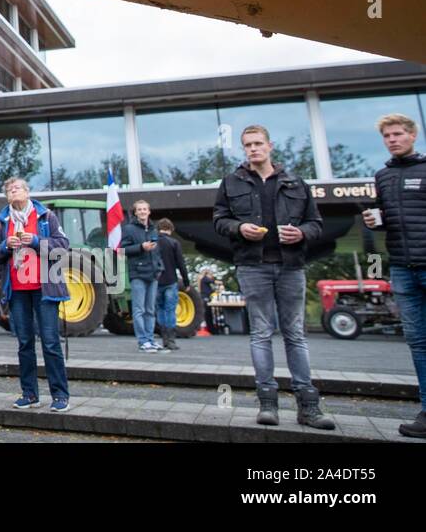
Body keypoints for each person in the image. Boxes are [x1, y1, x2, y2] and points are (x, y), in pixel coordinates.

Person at [213, 123, 334, 430]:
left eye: (257, 143)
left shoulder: (295, 182)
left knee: (295, 335)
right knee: (261, 334)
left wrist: (302, 233)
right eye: (247, 145)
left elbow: (316, 223)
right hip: (252, 266)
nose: (252, 149)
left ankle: (308, 405)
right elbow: (219, 220)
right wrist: (239, 228)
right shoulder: (231, 182)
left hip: (291, 266)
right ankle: (267, 402)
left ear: (270, 146)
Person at [363, 113, 426, 439]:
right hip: (402, 267)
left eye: (398, 134)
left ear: (412, 135)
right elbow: (385, 216)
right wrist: (376, 221)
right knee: (418, 343)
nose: (392, 140)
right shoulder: (382, 176)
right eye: (387, 136)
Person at [0, 177, 71, 412]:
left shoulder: (45, 216)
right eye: (9, 189)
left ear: (27, 192)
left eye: (17, 188)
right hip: (17, 290)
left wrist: (36, 241)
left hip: (44, 289)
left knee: (51, 342)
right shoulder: (2, 221)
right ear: (7, 197)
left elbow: (62, 245)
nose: (13, 191)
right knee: (24, 343)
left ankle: (60, 395)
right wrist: (6, 245)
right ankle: (29, 393)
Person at [120, 200, 164, 353]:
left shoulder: (153, 229)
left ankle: (150, 339)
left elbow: (157, 252)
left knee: (150, 309)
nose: (143, 212)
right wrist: (141, 247)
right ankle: (143, 341)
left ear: (149, 211)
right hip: (137, 273)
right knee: (139, 309)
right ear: (135, 212)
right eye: (140, 209)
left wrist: (159, 267)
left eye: (145, 209)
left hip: (152, 273)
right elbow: (122, 250)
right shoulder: (128, 229)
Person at [155, 218, 190, 350]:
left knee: (160, 309)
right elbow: (181, 264)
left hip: (157, 281)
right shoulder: (174, 243)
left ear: (158, 229)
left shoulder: (153, 243)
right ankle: (171, 339)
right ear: (171, 229)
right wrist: (186, 282)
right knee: (170, 310)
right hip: (171, 281)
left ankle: (163, 337)